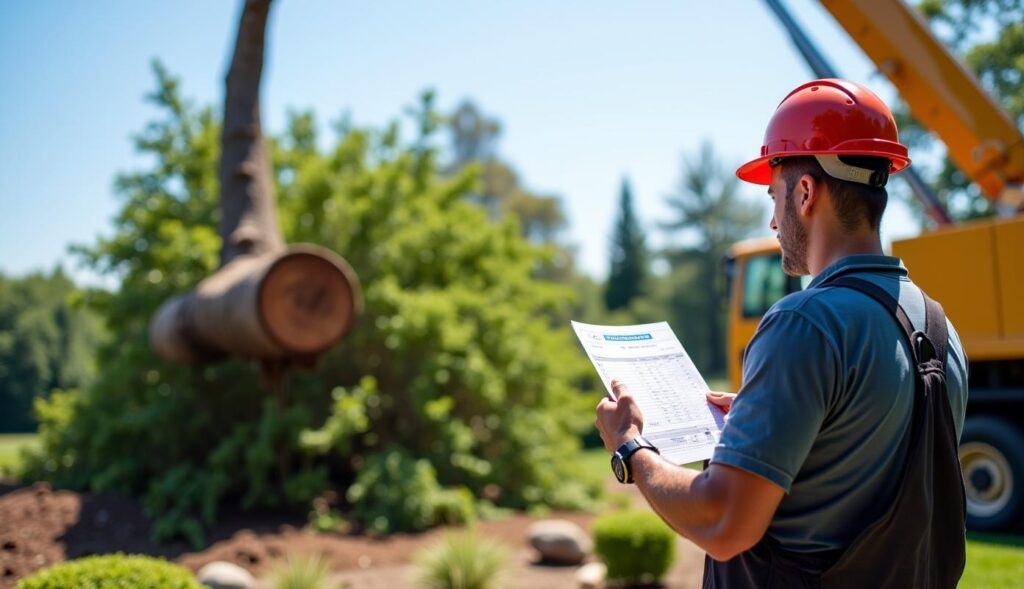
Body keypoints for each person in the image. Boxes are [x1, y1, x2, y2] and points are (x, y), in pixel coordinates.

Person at [594, 79, 969, 588]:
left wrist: (631, 447)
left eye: (774, 196)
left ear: (806, 193)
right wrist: (761, 421)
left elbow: (723, 522)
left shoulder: (803, 322)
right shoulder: (940, 329)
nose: (773, 220)